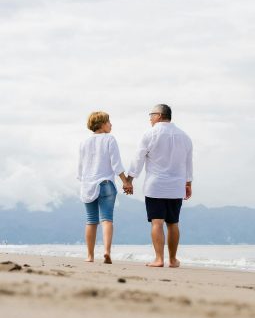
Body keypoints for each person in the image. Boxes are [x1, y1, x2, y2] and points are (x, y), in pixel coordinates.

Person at [126, 104, 193, 268]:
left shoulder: (150, 133)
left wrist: (129, 180)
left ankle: (159, 259)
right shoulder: (184, 136)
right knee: (173, 223)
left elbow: (138, 158)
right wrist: (188, 183)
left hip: (155, 185)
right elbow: (188, 162)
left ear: (161, 115)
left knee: (157, 222)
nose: (150, 118)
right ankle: (173, 260)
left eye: (151, 114)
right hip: (176, 186)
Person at [78, 111, 132, 264]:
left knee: (91, 221)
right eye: (109, 122)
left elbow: (80, 168)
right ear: (101, 124)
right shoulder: (109, 139)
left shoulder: (84, 143)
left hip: (88, 184)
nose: (111, 124)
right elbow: (116, 165)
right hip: (106, 184)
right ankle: (107, 252)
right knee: (107, 219)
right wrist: (126, 182)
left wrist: (85, 182)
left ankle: (90, 256)